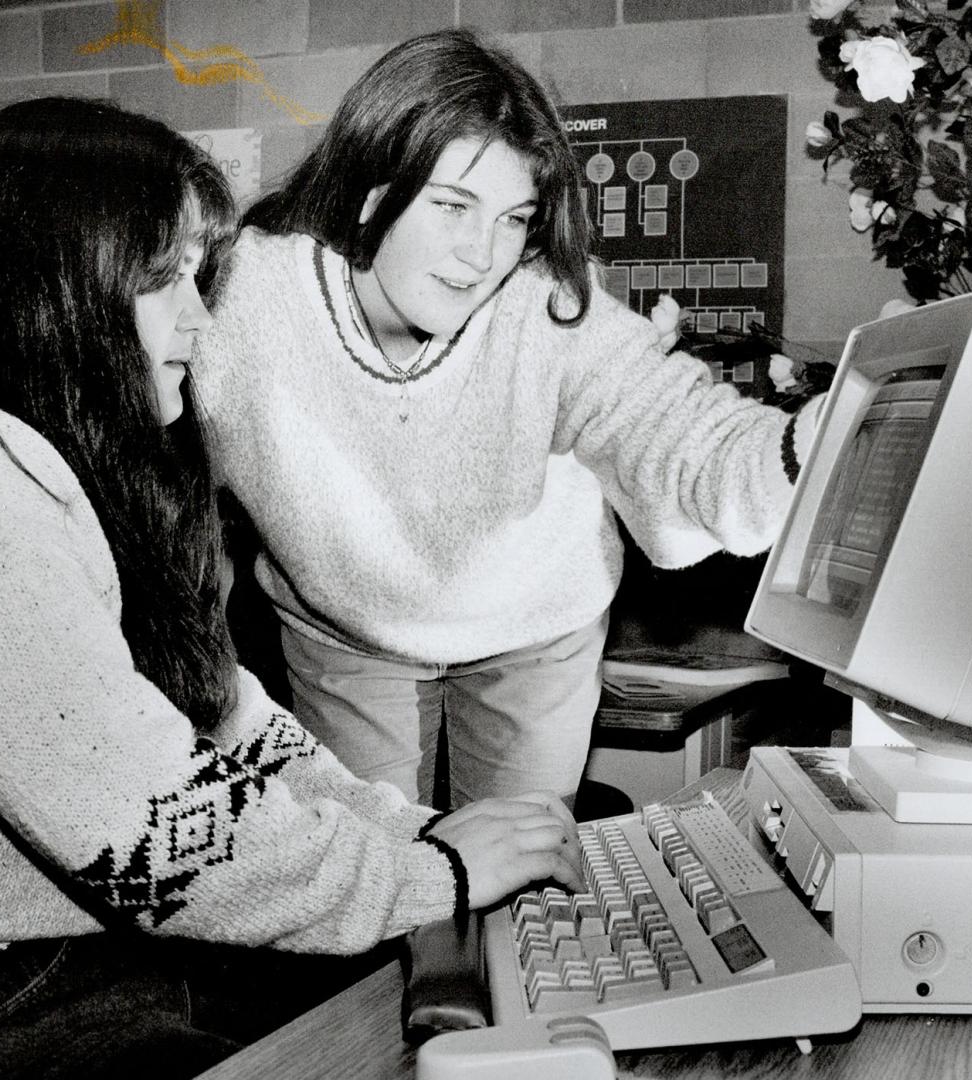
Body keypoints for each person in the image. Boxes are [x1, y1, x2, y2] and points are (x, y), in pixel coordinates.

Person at [0, 96, 580, 1080]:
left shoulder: (19, 448)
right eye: (166, 279)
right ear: (57, 283)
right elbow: (143, 827)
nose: (201, 323)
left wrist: (413, 834)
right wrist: (434, 873)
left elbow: (219, 725)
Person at [195, 28, 822, 809]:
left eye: (511, 218)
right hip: (347, 629)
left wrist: (810, 444)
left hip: (534, 626)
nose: (479, 254)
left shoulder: (548, 310)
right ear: (370, 186)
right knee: (377, 876)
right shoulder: (251, 297)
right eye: (452, 206)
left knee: (520, 884)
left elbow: (688, 442)